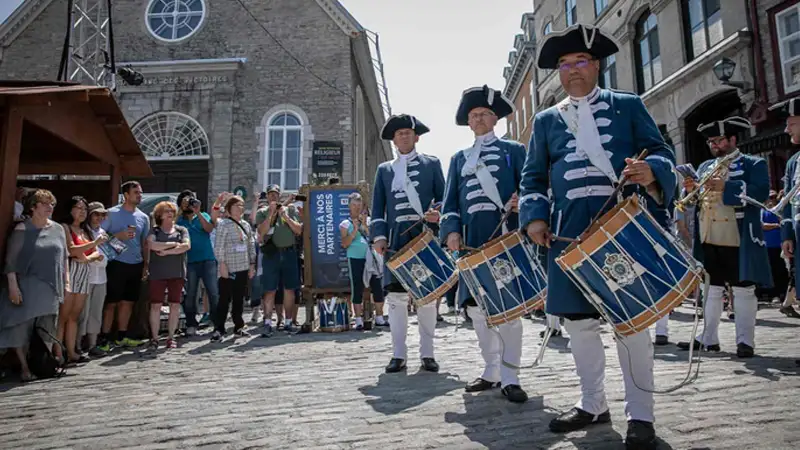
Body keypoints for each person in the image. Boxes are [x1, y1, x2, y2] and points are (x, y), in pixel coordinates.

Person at [520, 24, 677, 448]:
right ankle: (592, 403)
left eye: (580, 61)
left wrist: (652, 172)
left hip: (622, 229)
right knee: (579, 326)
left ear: (598, 65)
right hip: (568, 234)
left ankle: (640, 415)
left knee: (632, 324)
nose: (572, 70)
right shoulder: (546, 120)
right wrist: (535, 216)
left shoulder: (627, 106)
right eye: (564, 64)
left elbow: (663, 152)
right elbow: (532, 176)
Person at [441, 86, 528, 403]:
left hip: (505, 239)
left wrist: (524, 201)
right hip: (471, 242)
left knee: (508, 309)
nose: (478, 118)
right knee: (477, 309)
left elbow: (531, 187)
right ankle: (491, 370)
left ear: (495, 118)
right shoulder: (459, 159)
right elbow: (450, 203)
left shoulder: (514, 151)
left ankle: (511, 375)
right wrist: (450, 230)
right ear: (468, 121)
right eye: (473, 115)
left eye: (484, 114)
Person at [676, 116, 771, 359]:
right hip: (709, 234)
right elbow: (698, 201)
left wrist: (726, 188)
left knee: (743, 290)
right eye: (711, 142)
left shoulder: (753, 164)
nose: (715, 146)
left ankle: (745, 341)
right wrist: (691, 191)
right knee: (711, 289)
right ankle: (708, 337)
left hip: (738, 236)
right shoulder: (705, 166)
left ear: (732, 139)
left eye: (719, 140)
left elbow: (760, 194)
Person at [371, 113, 444, 374]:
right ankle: (398, 354)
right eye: (399, 133)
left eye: (408, 132)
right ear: (393, 139)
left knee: (426, 298)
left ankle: (427, 353)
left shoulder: (431, 164)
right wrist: (379, 236)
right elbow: (377, 208)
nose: (403, 136)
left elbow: (443, 200)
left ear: (416, 137)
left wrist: (438, 214)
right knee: (397, 298)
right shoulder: (384, 170)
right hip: (395, 238)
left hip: (424, 236)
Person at [0, 190, 67, 382]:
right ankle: (24, 367)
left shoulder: (58, 229)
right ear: (33, 207)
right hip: (26, 284)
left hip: (51, 286)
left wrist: (66, 281)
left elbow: (64, 259)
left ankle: (42, 363)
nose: (50, 207)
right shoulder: (22, 229)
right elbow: (10, 261)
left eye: (51, 204)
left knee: (47, 326)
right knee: (21, 326)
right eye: (45, 204)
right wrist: (13, 286)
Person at [769, 97, 800, 365]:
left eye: (791, 124)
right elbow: (787, 205)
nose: (787, 130)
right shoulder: (793, 162)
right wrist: (786, 235)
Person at [100, 181, 149, 349]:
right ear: (126, 195)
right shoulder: (111, 214)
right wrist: (118, 236)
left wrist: (145, 265)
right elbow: (99, 235)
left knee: (128, 302)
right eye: (136, 192)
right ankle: (105, 338)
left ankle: (121, 336)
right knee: (111, 302)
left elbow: (145, 243)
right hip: (116, 263)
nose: (139, 195)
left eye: (140, 192)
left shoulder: (143, 217)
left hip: (136, 263)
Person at [59, 196, 105, 364]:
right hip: (70, 271)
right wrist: (92, 245)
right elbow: (71, 250)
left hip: (84, 272)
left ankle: (71, 352)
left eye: (84, 209)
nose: (82, 212)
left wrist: (87, 258)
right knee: (63, 315)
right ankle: (57, 352)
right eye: (78, 208)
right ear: (70, 210)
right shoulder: (65, 227)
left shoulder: (85, 230)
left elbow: (95, 252)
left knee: (74, 316)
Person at [257, 185, 302, 335]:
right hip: (271, 254)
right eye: (270, 194)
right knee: (269, 289)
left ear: (280, 195)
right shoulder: (262, 212)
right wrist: (271, 214)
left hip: (288, 252)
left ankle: (288, 322)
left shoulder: (289, 210)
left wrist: (285, 216)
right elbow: (261, 232)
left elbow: (298, 230)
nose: (273, 197)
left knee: (289, 289)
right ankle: (268, 322)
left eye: (275, 194)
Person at [146, 201, 191, 351]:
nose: (170, 213)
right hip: (158, 274)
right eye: (166, 211)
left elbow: (186, 246)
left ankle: (171, 337)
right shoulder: (155, 231)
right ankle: (154, 337)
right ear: (159, 214)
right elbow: (151, 245)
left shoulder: (181, 229)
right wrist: (173, 245)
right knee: (156, 305)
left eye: (172, 211)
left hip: (176, 273)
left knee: (174, 305)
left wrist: (166, 251)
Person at [176, 190, 222, 335]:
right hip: (190, 261)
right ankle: (191, 323)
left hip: (208, 259)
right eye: (185, 202)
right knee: (190, 294)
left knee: (213, 292)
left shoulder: (204, 216)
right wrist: (180, 210)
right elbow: (171, 227)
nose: (188, 204)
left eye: (190, 201)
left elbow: (209, 228)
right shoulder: (179, 220)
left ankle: (217, 323)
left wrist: (198, 212)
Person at [212, 196, 256, 341]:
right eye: (237, 205)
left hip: (242, 266)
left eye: (242, 205)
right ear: (229, 208)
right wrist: (222, 264)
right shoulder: (224, 224)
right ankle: (219, 328)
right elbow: (218, 246)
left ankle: (238, 326)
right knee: (224, 299)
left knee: (239, 299)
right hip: (228, 268)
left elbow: (251, 245)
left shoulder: (246, 225)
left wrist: (252, 264)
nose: (240, 208)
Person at [340, 193, 385, 330]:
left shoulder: (370, 221)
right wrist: (354, 230)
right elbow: (345, 244)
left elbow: (374, 238)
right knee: (357, 287)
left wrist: (364, 224)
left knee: (377, 285)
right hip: (355, 257)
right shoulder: (344, 224)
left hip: (371, 257)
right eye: (354, 205)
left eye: (359, 205)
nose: (356, 208)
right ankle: (358, 319)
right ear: (349, 206)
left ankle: (379, 317)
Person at [78, 202, 110, 357]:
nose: (99, 218)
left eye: (102, 215)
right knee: (82, 312)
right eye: (96, 214)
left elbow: (108, 254)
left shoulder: (104, 232)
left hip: (101, 277)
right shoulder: (83, 232)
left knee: (96, 311)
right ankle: (78, 344)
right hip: (86, 276)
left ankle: (92, 343)